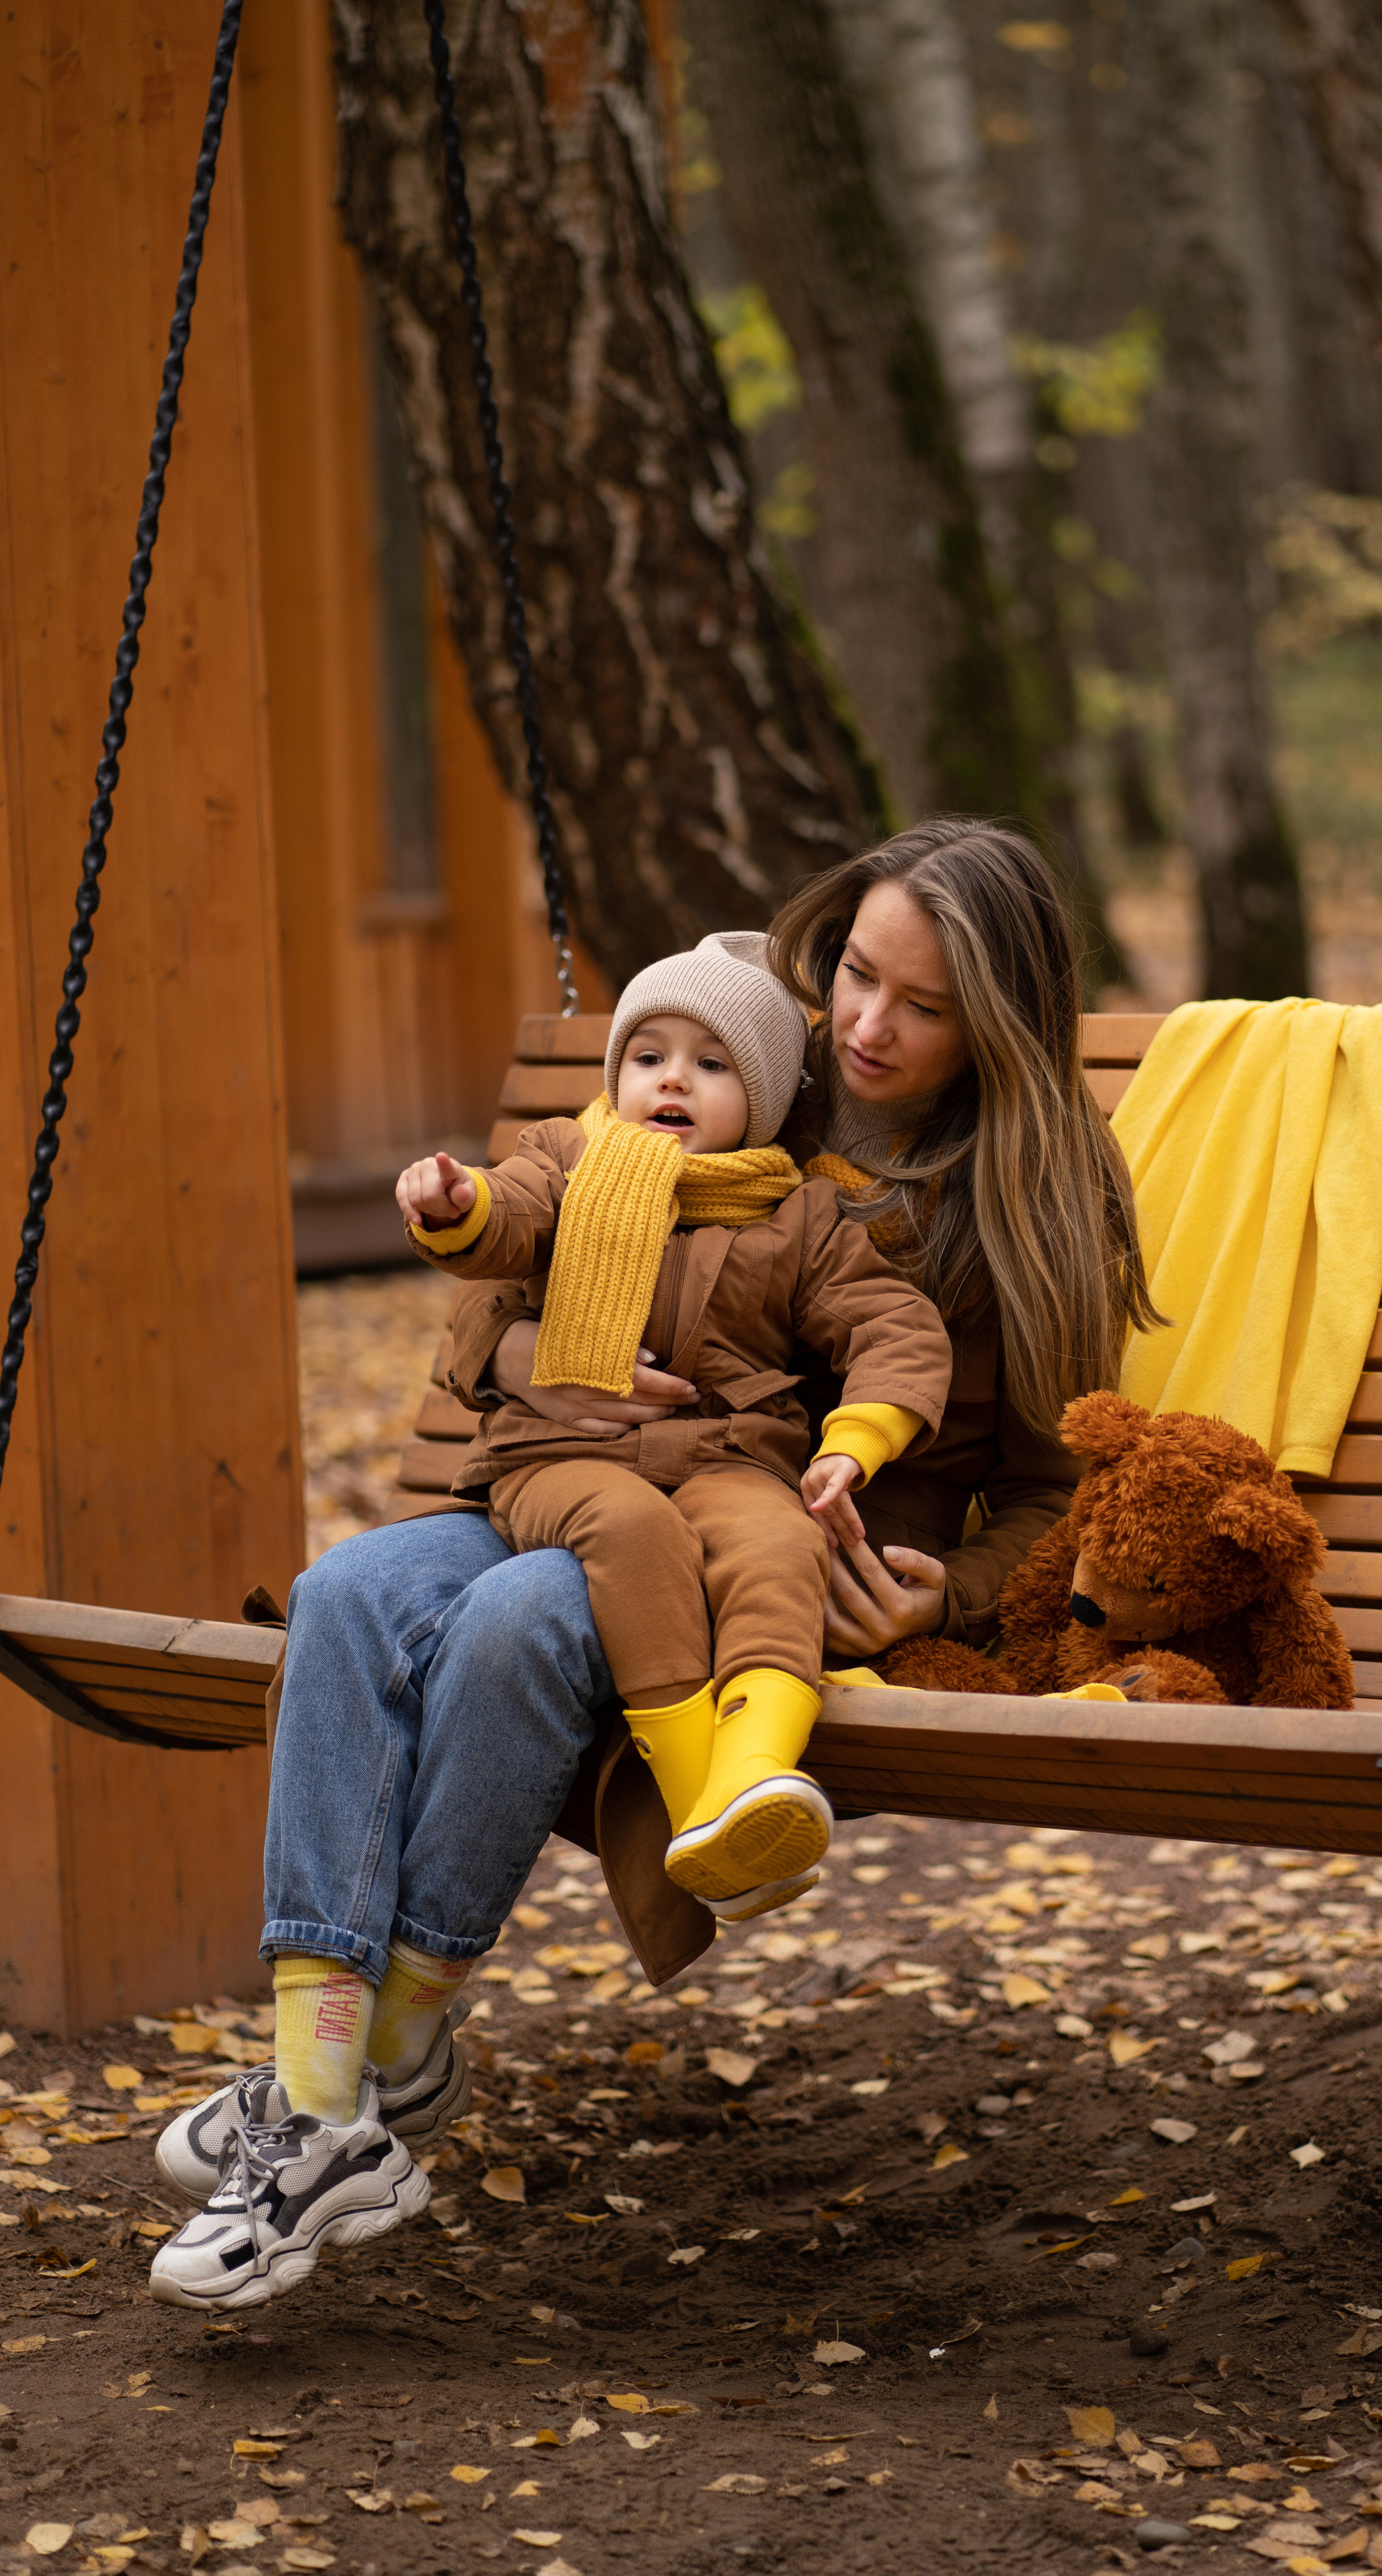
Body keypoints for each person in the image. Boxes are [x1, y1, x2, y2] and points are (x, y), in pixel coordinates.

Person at [146, 820, 1157, 2314]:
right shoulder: (746, 1059)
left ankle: (357, 2069)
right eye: (857, 974)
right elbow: (521, 1241)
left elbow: (1053, 1491)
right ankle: (345, 2087)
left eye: (923, 1007)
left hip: (751, 1560)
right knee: (346, 1594)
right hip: (568, 1472)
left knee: (518, 1618)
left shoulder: (1030, 1203)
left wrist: (950, 1592)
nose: (866, 1024)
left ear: (997, 1027)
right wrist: (539, 1354)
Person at [394, 931, 951, 1922]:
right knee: (632, 1529)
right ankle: (703, 1801)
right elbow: (508, 1218)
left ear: (765, 1102)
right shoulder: (570, 1159)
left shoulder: (800, 1214)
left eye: (711, 1065)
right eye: (649, 1056)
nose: (673, 1081)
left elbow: (892, 1325)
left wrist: (854, 1442)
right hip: (565, 1458)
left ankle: (755, 1773)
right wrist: (457, 1204)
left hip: (728, 1457)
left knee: (783, 1543)